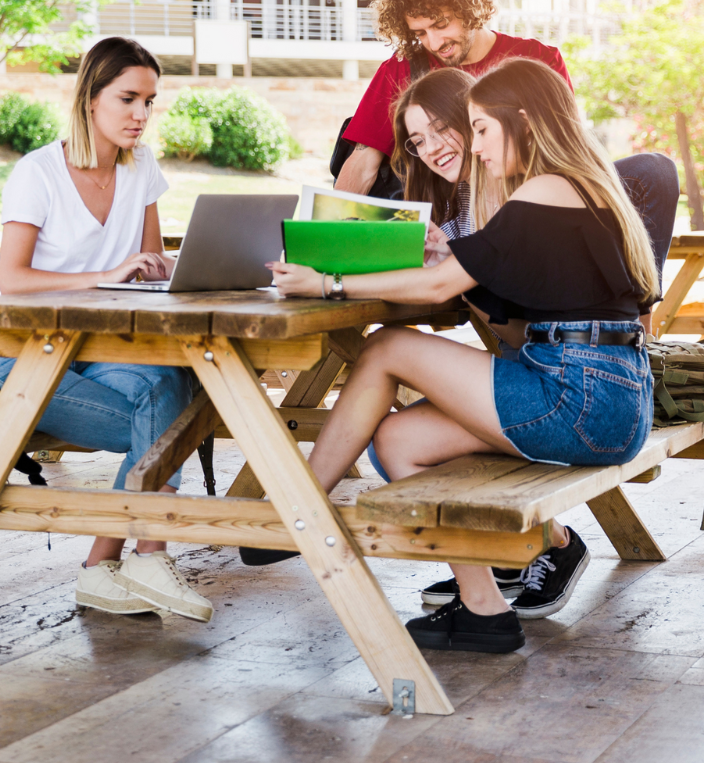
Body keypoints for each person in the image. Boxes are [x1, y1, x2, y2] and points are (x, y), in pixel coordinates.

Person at [265, 58, 658, 654]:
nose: (473, 147)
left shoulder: (547, 188)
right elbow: (500, 298)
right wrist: (455, 256)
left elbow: (435, 288)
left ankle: (296, 512)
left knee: (388, 346)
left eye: (479, 128)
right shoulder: (574, 186)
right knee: (398, 441)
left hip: (579, 396)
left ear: (521, 121)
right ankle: (484, 612)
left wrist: (328, 285)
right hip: (599, 395)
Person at [0, 36, 212, 624]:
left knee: (173, 385)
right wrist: (103, 274)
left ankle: (114, 563)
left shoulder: (141, 168)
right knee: (173, 410)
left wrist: (168, 267)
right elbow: (10, 279)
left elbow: (148, 261)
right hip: (36, 365)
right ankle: (136, 554)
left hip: (112, 355)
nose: (142, 115)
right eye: (128, 99)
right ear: (90, 98)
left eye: (150, 101)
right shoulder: (38, 172)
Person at [336, 0, 572, 198]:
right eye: (420, 33)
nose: (435, 44)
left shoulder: (537, 59)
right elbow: (362, 165)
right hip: (439, 222)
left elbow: (565, 151)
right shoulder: (400, 71)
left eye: (441, 24)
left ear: (470, 6)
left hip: (523, 209)